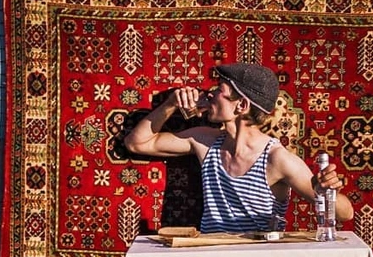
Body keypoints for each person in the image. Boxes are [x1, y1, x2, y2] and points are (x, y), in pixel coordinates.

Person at [124, 62, 353, 233]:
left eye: (219, 90)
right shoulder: (205, 141)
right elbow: (137, 143)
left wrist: (324, 192)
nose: (209, 94)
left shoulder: (276, 159)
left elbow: (346, 213)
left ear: (241, 105)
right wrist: (172, 104)